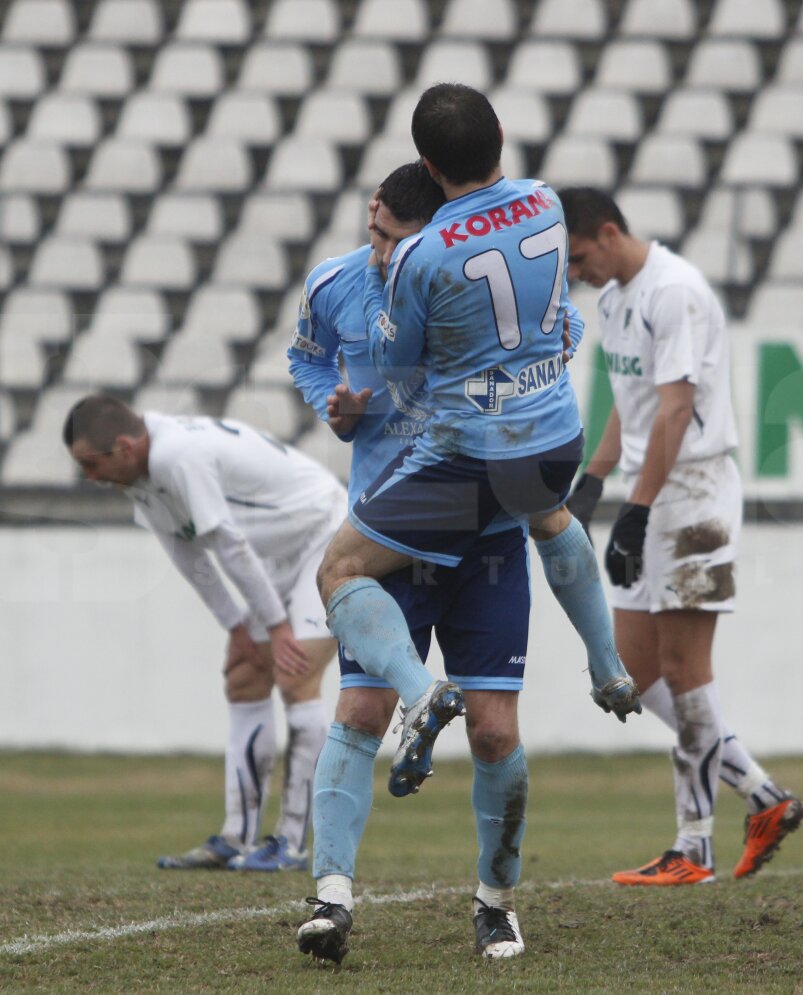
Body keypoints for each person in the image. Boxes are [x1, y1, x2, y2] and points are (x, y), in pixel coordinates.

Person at [314, 84, 642, 824]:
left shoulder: (419, 256)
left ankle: (421, 689)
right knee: (550, 517)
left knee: (338, 567)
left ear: (428, 167)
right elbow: (556, 319)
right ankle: (608, 663)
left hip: (468, 458)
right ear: (499, 130)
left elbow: (402, 367)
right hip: (555, 438)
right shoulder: (550, 206)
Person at [288, 163, 529, 962]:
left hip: (485, 530)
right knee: (356, 713)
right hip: (386, 533)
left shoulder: (468, 286)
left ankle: (495, 902)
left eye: (391, 237)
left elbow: (549, 345)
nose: (378, 249)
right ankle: (330, 899)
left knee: (495, 733)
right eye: (372, 230)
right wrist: (339, 404)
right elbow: (309, 357)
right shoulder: (335, 284)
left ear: (430, 236)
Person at [558, 187, 803, 885]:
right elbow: (629, 403)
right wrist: (594, 480)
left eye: (579, 256)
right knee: (633, 673)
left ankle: (694, 844)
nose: (577, 272)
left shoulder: (677, 292)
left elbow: (675, 411)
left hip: (692, 492)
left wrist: (635, 511)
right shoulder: (613, 298)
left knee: (685, 664)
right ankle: (764, 797)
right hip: (649, 488)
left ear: (608, 233)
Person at [63, 395, 344, 873]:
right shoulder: (138, 471)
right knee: (244, 676)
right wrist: (236, 627)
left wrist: (275, 628)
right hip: (272, 554)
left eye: (92, 464)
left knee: (297, 677)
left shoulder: (178, 456)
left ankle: (291, 843)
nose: (91, 477)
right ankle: (237, 837)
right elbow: (185, 552)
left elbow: (225, 543)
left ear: (125, 446)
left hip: (325, 533)